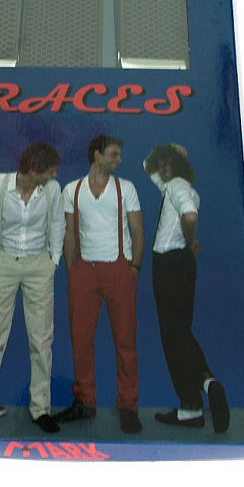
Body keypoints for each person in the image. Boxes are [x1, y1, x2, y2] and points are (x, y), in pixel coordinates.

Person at [0, 142, 65, 434]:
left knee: (41, 341)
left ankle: (40, 409)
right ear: (33, 170)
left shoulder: (52, 190)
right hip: (3, 264)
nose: (55, 174)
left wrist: (53, 260)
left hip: (39, 265)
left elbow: (58, 222)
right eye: (50, 170)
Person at [55, 135, 145, 434]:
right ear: (97, 155)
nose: (118, 160)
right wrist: (72, 269)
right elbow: (69, 232)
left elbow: (137, 229)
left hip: (119, 269)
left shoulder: (126, 188)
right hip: (84, 271)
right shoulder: (72, 189)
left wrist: (134, 267)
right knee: (80, 340)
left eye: (118, 155)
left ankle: (128, 405)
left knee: (125, 341)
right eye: (113, 154)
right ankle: (84, 402)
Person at [143, 142, 230, 432]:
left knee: (172, 338)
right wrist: (168, 150)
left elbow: (189, 216)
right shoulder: (176, 187)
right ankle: (202, 389)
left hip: (169, 265)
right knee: (181, 333)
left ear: (177, 167)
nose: (163, 167)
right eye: (163, 162)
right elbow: (147, 165)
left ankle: (195, 401)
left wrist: (190, 240)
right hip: (182, 266)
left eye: (168, 163)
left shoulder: (177, 186)